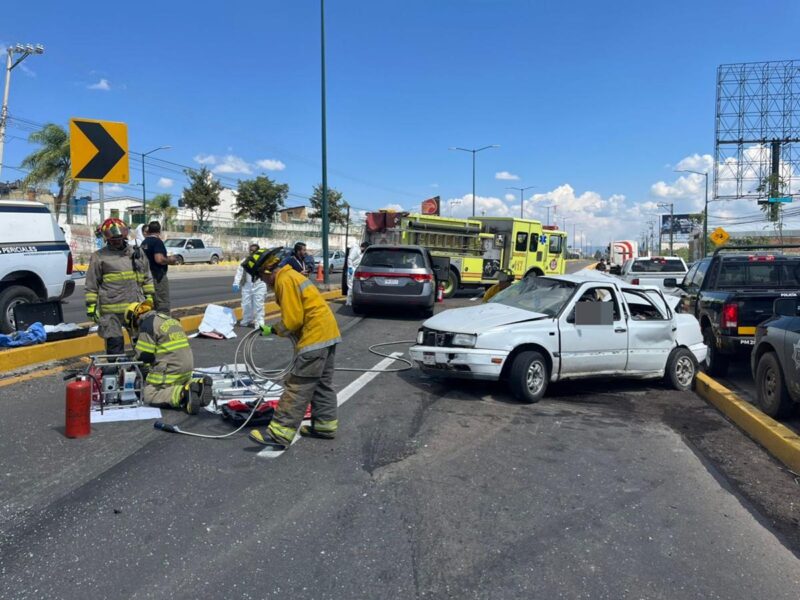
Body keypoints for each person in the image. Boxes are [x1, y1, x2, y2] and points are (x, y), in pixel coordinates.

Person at [244, 247, 342, 451]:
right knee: (322, 384)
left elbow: (293, 321)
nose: (263, 282)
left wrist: (274, 329)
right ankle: (325, 426)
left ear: (267, 270)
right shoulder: (291, 275)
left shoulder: (283, 281)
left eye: (261, 277)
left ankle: (280, 432)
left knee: (298, 385)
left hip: (314, 337)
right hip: (328, 334)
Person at [125, 301, 212, 413]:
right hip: (187, 369)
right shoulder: (169, 319)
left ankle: (183, 393)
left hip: (171, 370)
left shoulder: (147, 325)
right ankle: (199, 384)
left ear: (133, 319)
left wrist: (130, 368)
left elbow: (143, 357)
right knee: (178, 383)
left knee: (149, 394)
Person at [85, 218, 154, 356]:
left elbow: (146, 277)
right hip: (111, 311)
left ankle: (142, 371)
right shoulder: (99, 257)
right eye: (112, 239)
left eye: (119, 237)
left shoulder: (136, 254)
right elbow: (92, 283)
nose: (116, 241)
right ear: (106, 238)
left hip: (135, 308)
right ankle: (115, 373)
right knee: (114, 345)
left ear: (125, 235)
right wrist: (91, 306)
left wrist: (150, 297)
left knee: (141, 343)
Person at [140, 221, 177, 314]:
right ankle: (163, 325)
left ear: (149, 230)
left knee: (152, 304)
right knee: (162, 303)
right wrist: (171, 259)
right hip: (157, 277)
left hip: (146, 278)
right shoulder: (157, 242)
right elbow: (159, 259)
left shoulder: (144, 242)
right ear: (159, 231)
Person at [232, 243, 267, 328]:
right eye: (251, 250)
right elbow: (239, 272)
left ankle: (260, 322)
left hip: (259, 285)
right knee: (246, 304)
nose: (252, 252)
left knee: (258, 304)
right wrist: (236, 283)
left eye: (254, 251)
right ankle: (247, 319)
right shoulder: (245, 260)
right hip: (247, 285)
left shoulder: (263, 261)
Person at [346, 242, 369, 306]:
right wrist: (350, 267)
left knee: (353, 285)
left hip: (356, 269)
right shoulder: (356, 250)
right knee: (351, 285)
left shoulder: (361, 252)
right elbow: (350, 258)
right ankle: (348, 301)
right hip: (352, 269)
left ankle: (351, 300)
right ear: (364, 247)